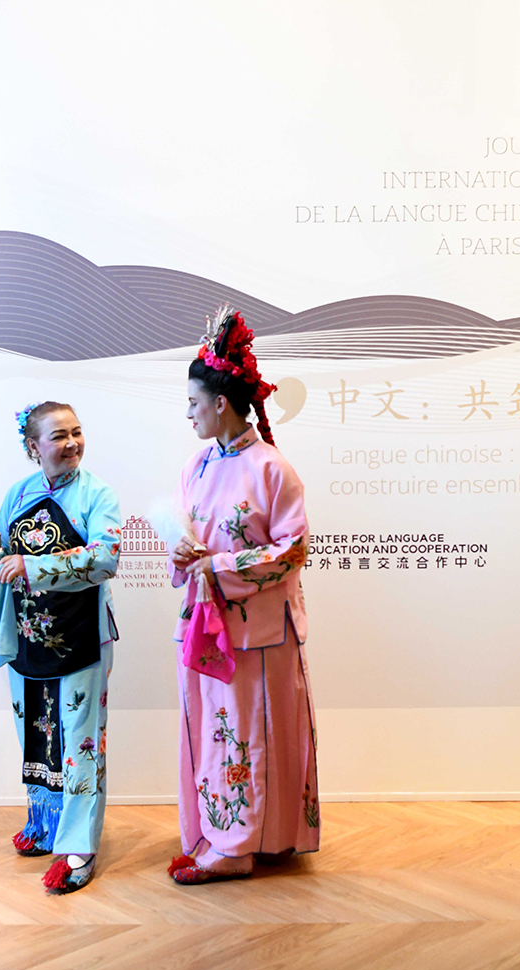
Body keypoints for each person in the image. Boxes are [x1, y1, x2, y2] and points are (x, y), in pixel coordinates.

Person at [167, 308, 320, 884]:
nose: (188, 414)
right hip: (206, 623)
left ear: (221, 405)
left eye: (193, 403)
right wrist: (183, 557)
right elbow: (186, 539)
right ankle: (221, 832)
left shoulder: (273, 469)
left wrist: (218, 564)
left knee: (246, 732)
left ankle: (241, 845)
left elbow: (291, 552)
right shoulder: (196, 466)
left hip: (258, 630)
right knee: (212, 730)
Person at [0, 402, 120, 893]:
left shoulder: (98, 494)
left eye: (77, 432)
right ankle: (44, 822)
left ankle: (78, 847)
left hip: (80, 637)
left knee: (80, 742)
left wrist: (33, 568)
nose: (72, 443)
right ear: (34, 447)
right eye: (58, 436)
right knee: (38, 736)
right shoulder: (19, 493)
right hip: (27, 636)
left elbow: (105, 558)